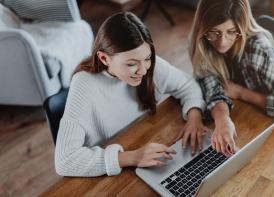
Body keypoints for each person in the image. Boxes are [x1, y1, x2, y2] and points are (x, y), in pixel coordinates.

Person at [55, 12, 208, 177]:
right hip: (110, 176)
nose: (143, 70)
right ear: (105, 59)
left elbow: (187, 84)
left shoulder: (145, 64)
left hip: (146, 147)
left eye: (148, 58)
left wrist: (194, 118)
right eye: (131, 64)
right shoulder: (84, 84)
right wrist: (133, 157)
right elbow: (65, 161)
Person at [189, 0, 274, 156]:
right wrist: (222, 119)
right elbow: (209, 81)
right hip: (241, 118)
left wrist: (242, 92)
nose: (222, 42)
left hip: (271, 131)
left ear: (242, 27)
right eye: (214, 32)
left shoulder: (260, 50)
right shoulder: (202, 42)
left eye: (231, 31)